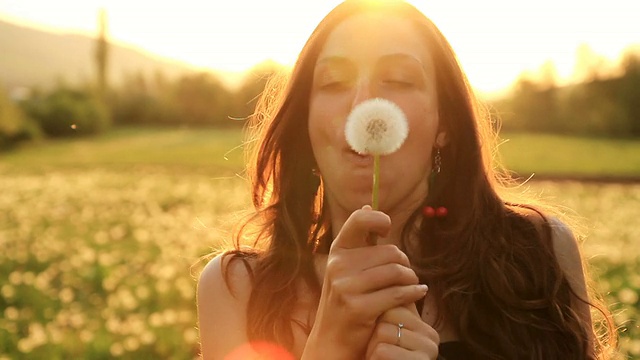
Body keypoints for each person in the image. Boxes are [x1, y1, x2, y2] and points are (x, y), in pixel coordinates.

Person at [197, 1, 616, 359]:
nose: (364, 103)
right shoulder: (237, 290)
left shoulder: (538, 256)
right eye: (334, 82)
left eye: (398, 80)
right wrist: (329, 347)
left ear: (444, 124)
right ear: (305, 121)